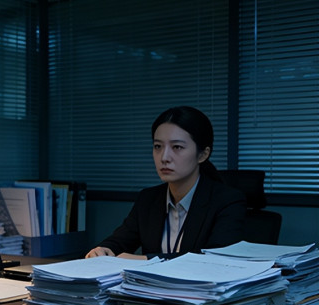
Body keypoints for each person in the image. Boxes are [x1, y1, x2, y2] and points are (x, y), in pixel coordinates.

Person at [85, 105, 246, 260]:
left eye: (177, 147)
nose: (164, 157)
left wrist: (147, 260)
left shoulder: (226, 201)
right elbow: (119, 242)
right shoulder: (148, 199)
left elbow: (214, 259)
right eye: (158, 146)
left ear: (203, 155)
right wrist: (103, 250)